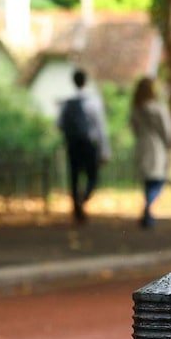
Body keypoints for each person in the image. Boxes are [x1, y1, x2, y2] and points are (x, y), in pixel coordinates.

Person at [57, 68, 110, 224]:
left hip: (73, 145)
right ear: (85, 81)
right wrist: (105, 149)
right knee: (92, 176)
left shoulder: (67, 103)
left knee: (74, 176)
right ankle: (83, 199)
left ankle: (77, 206)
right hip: (88, 144)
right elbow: (100, 127)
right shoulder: (92, 101)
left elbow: (59, 124)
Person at [129, 76, 171, 228]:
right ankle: (148, 208)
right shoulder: (158, 108)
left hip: (143, 145)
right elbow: (168, 130)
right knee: (158, 179)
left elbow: (133, 127)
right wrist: (169, 143)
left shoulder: (136, 109)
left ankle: (148, 207)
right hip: (157, 147)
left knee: (149, 179)